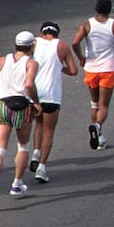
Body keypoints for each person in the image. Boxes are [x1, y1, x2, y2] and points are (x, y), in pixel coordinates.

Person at [0, 32, 40, 206]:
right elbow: (29, 84)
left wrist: (3, 88)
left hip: (3, 105)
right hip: (22, 105)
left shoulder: (1, 61)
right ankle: (17, 183)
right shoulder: (31, 63)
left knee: (0, 147)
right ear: (32, 46)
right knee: (22, 146)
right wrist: (36, 102)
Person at [72, 0, 114, 150]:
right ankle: (97, 126)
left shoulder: (87, 25)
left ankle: (99, 137)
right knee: (104, 106)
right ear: (110, 9)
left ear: (96, 9)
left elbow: (75, 42)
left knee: (94, 103)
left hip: (91, 68)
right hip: (108, 68)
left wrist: (81, 58)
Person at [29, 22, 77, 183]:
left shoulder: (34, 43)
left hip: (35, 93)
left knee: (38, 124)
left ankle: (35, 152)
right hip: (51, 95)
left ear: (42, 33)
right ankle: (42, 167)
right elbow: (73, 70)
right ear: (57, 34)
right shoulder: (62, 46)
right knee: (49, 131)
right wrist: (60, 68)